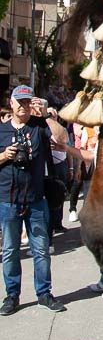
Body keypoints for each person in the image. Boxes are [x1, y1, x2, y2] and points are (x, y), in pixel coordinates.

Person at [0, 86, 65, 314]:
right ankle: (12, 296)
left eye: (28, 102)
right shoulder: (1, 130)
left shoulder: (38, 127)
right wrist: (4, 155)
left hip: (36, 199)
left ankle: (44, 294)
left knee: (41, 250)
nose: (24, 106)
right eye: (20, 101)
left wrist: (46, 114)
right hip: (8, 200)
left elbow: (60, 139)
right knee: (10, 250)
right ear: (12, 102)